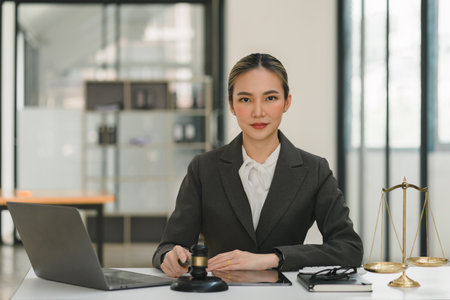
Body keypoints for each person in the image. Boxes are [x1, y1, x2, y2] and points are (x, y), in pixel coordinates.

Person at [152, 53, 363, 277]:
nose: (258, 112)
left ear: (287, 102)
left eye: (270, 98)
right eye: (245, 99)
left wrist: (273, 259)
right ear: (231, 105)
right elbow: (167, 247)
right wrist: (170, 257)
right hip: (220, 294)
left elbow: (349, 249)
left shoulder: (315, 170)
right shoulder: (203, 169)